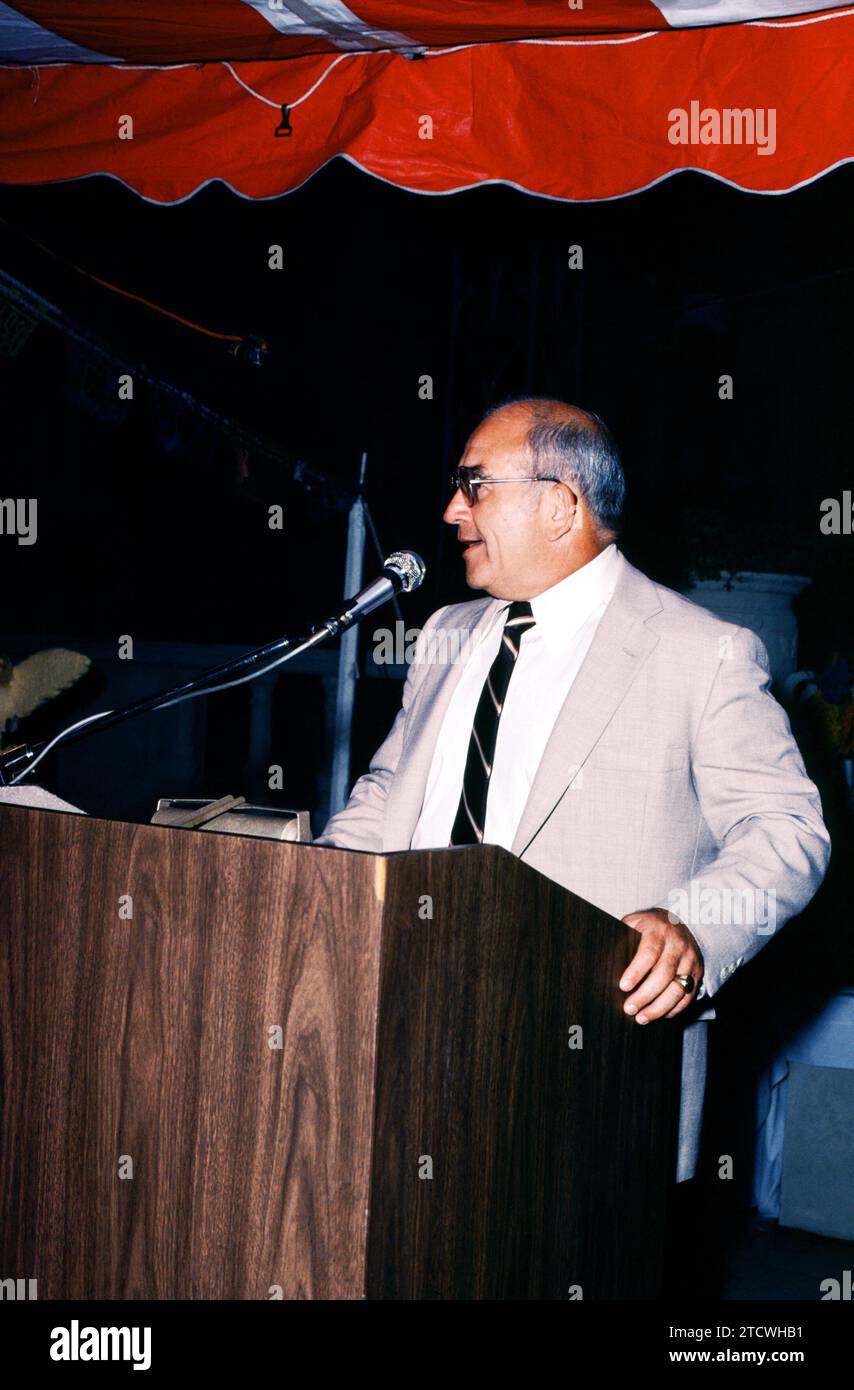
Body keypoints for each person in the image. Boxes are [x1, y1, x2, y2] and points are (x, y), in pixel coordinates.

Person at [314, 397, 830, 1187]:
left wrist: (690, 927)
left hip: (588, 1064)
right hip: (402, 1027)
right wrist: (310, 897)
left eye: (474, 485)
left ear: (561, 505)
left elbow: (786, 828)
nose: (452, 509)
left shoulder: (703, 651)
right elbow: (390, 792)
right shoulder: (447, 632)